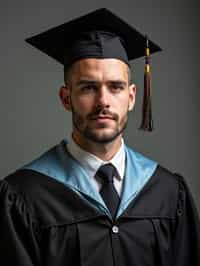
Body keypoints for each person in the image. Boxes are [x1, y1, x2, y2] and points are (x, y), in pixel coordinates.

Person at [0, 8, 200, 266]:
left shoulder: (169, 192)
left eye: (115, 87)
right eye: (88, 87)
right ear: (65, 98)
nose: (103, 101)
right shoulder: (24, 197)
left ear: (131, 97)